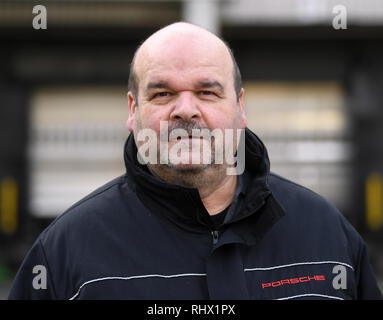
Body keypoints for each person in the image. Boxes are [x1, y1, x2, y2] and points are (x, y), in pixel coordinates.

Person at [9, 22, 382, 300]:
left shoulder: (327, 235)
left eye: (207, 91)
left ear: (240, 106)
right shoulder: (63, 252)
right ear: (133, 109)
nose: (185, 111)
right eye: (162, 93)